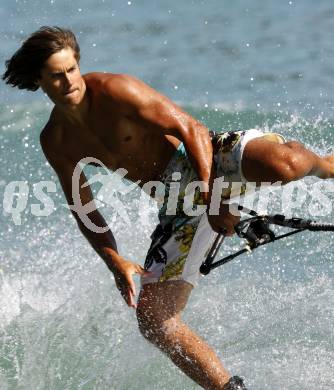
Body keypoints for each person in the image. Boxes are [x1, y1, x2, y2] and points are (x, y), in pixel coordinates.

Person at [3, 26, 333, 390]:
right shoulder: (57, 140)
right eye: (56, 76)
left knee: (286, 164)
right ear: (40, 81)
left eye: (71, 70)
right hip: (175, 203)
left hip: (203, 159)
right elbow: (83, 207)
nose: (68, 82)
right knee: (153, 319)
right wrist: (115, 260)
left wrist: (214, 199)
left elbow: (191, 128)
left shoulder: (115, 91)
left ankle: (327, 166)